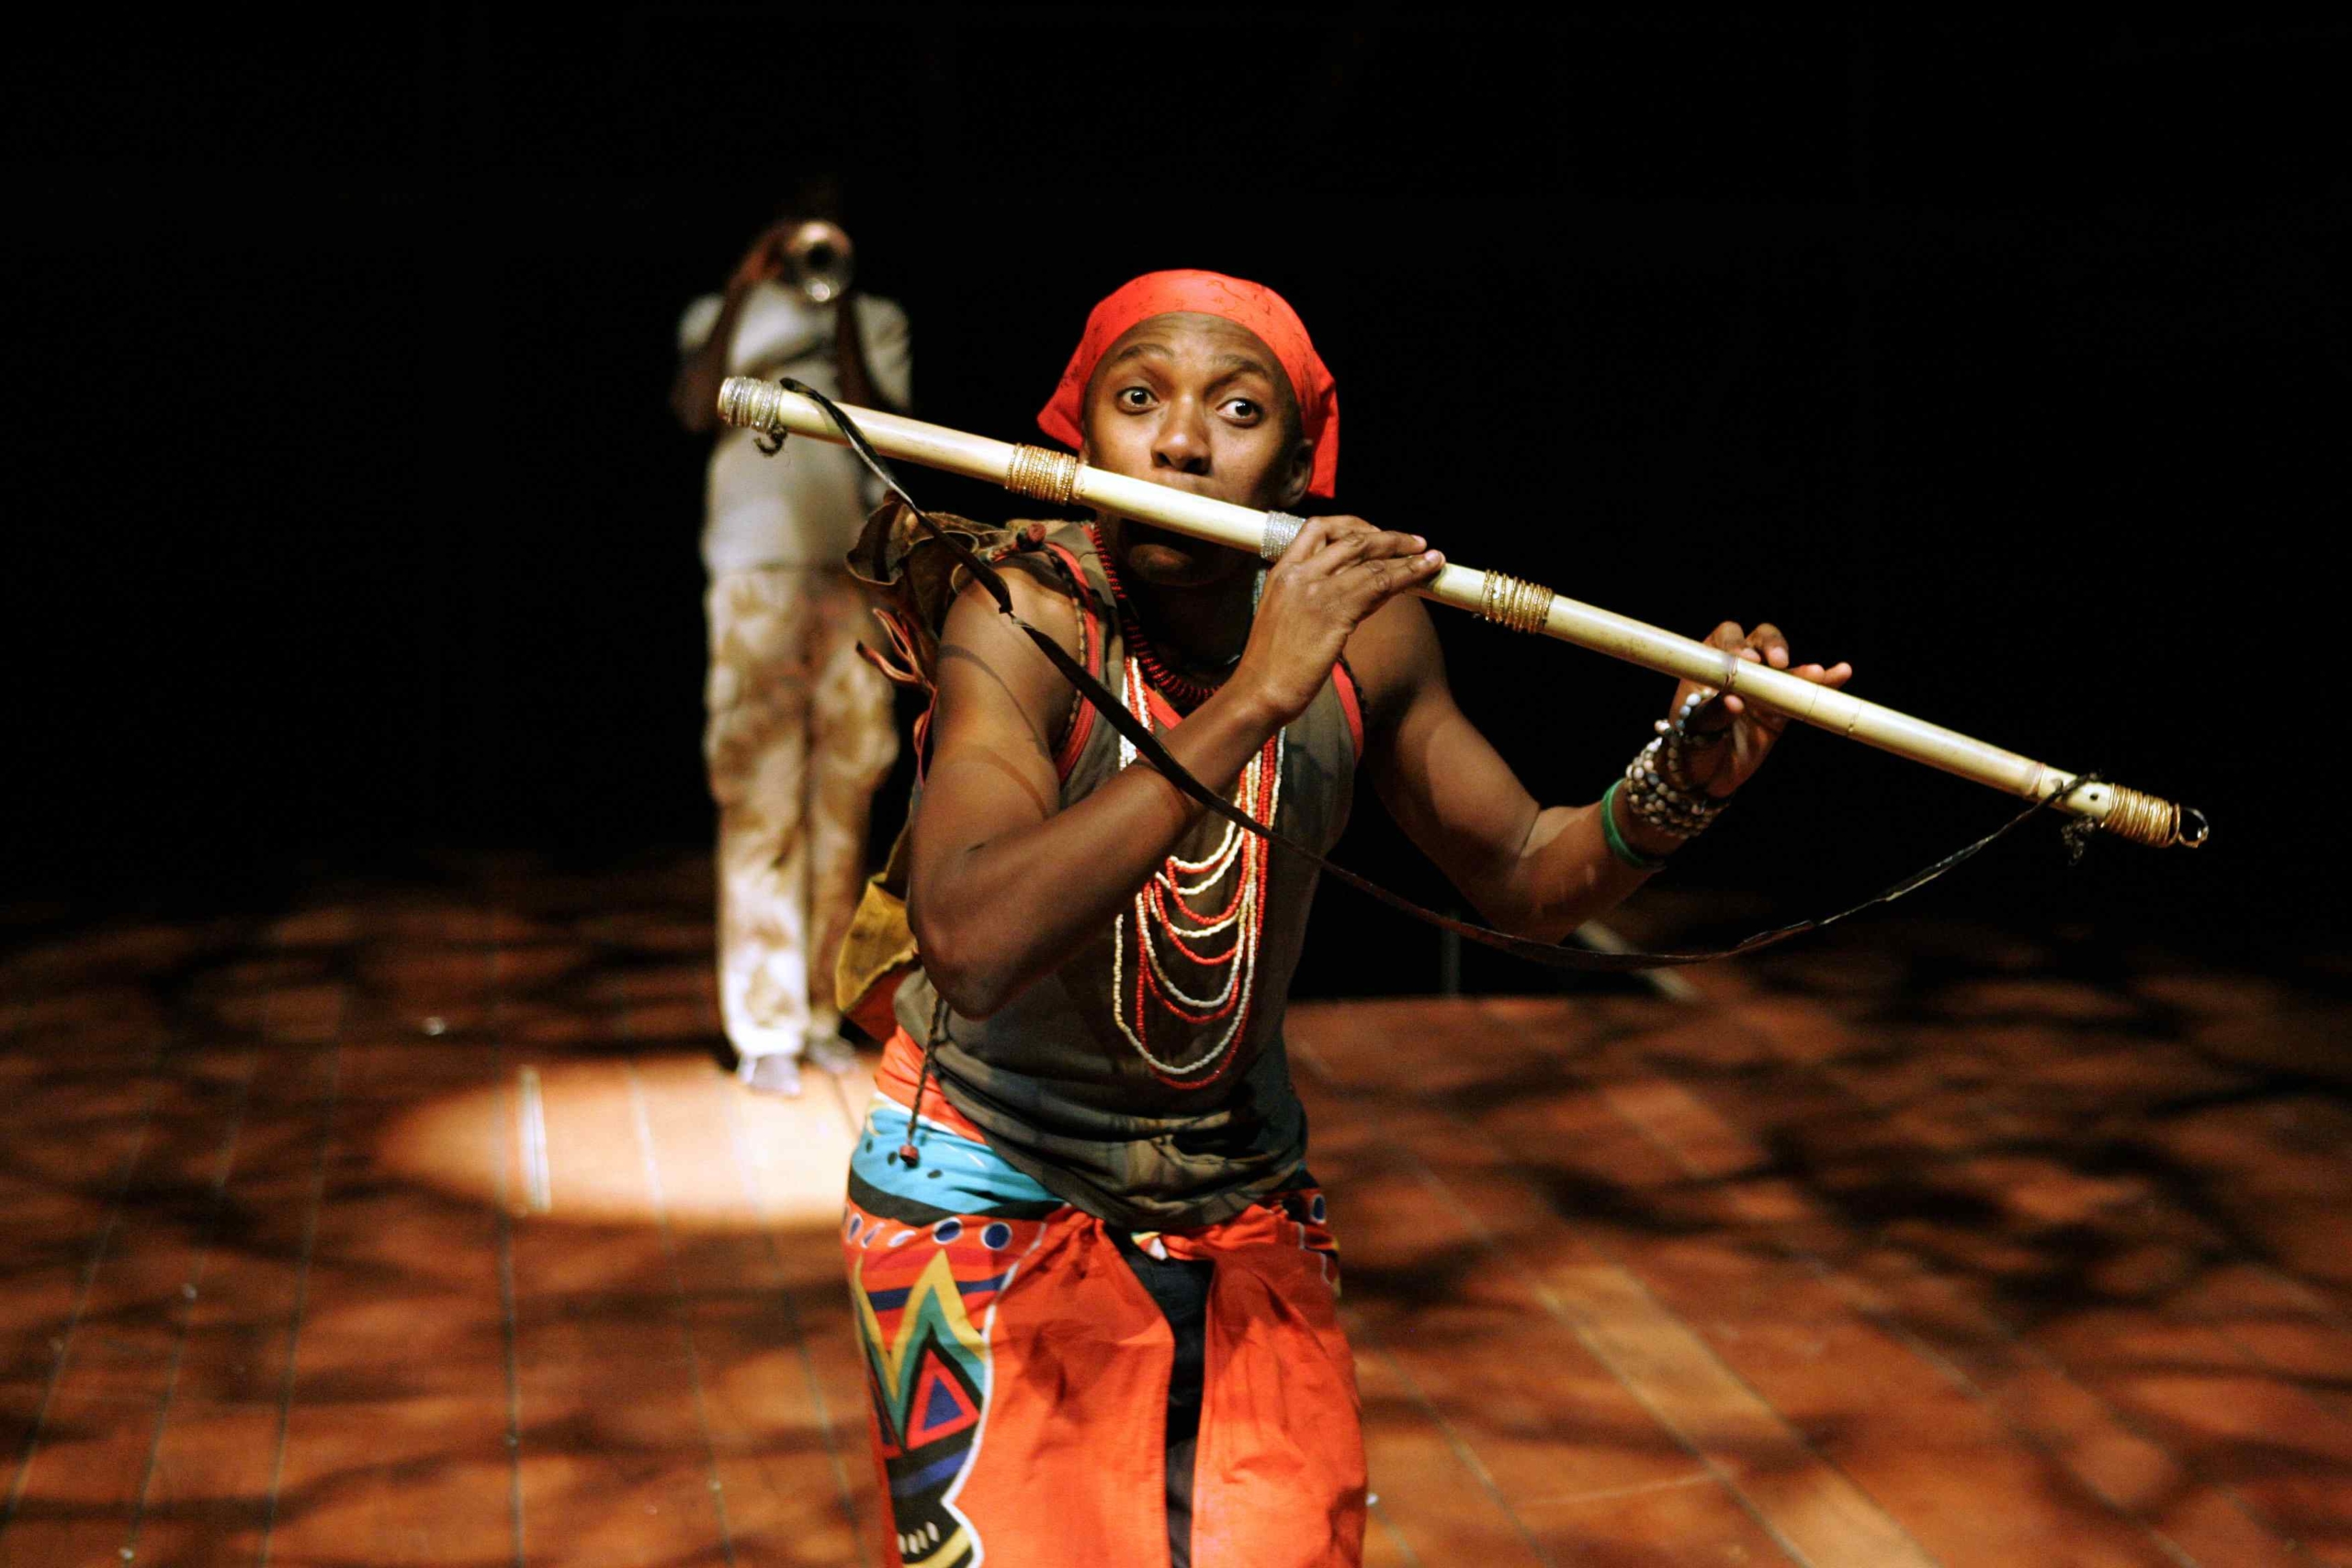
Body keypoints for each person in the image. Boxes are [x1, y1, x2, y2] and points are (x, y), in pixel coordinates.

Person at [837, 271, 1851, 1567]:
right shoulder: (1022, 613)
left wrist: (1677, 786)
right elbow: (971, 943)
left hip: (1243, 1197)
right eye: (1138, 399)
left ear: (1299, 466)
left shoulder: (1364, 635)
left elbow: (1527, 871)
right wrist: (1258, 692)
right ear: (1079, 440)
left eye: (1237, 409)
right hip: (988, 1192)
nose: (1184, 441)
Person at [672, 194, 911, 1096]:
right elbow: (697, 406)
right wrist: (744, 288)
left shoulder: (876, 318)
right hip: (755, 574)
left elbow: (890, 423)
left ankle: (819, 1008)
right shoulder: (719, 318)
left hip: (851, 574)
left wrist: (836, 306)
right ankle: (763, 1021)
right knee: (759, 796)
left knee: (846, 794)